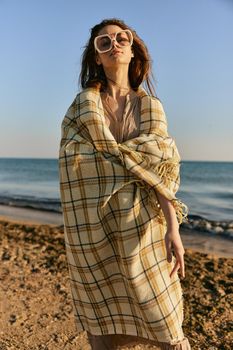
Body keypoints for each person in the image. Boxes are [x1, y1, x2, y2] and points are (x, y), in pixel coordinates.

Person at [59, 18, 191, 350]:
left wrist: (172, 228)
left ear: (132, 50)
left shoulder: (150, 107)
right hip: (93, 228)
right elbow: (75, 166)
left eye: (121, 38)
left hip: (142, 224)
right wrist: (125, 162)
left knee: (167, 322)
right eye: (104, 43)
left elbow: (161, 171)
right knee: (103, 327)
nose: (114, 44)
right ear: (97, 58)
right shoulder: (81, 108)